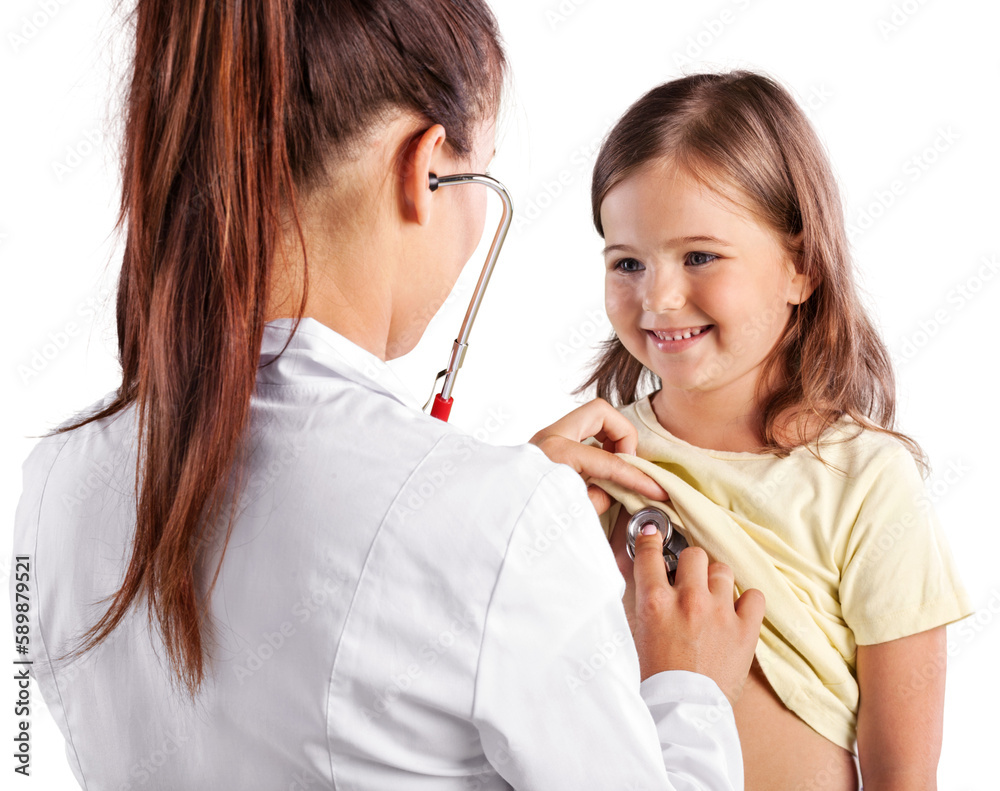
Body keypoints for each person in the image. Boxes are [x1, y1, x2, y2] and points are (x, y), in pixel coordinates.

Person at [9, 3, 765, 789]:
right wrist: (691, 687)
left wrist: (495, 531)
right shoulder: (496, 521)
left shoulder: (51, 487)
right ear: (426, 168)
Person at [534, 71, 973, 789]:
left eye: (700, 256)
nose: (658, 297)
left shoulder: (866, 483)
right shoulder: (589, 469)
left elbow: (906, 776)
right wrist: (520, 497)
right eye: (628, 263)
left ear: (800, 267)